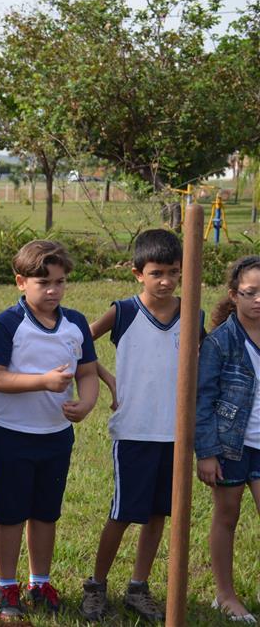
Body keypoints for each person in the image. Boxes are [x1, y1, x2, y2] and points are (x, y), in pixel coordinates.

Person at [81, 229, 198, 622]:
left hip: (176, 434)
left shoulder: (192, 313)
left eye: (173, 272)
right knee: (123, 512)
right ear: (137, 273)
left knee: (158, 514)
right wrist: (107, 378)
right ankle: (96, 586)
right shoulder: (124, 312)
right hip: (134, 431)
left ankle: (138, 587)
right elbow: (79, 342)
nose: (166, 281)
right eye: (156, 273)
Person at [0, 240, 99, 619]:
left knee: (46, 513)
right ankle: (6, 585)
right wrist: (42, 381)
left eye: (60, 282)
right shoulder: (7, 324)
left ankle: (40, 581)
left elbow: (87, 371)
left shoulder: (76, 323)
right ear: (21, 282)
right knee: (10, 514)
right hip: (10, 434)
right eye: (43, 283)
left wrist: (87, 402)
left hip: (56, 436)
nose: (53, 291)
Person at [196, 255, 260, 623]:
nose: (258, 300)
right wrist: (206, 452)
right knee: (227, 516)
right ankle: (225, 594)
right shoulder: (220, 342)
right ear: (234, 295)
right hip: (230, 445)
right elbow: (203, 399)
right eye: (250, 292)